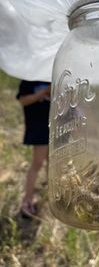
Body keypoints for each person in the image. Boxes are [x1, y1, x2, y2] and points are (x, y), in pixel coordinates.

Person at [16, 80, 51, 217]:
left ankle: (51, 195)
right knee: (38, 163)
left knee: (52, 162)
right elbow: (23, 100)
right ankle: (27, 200)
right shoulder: (28, 80)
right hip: (38, 128)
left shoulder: (51, 78)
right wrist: (44, 92)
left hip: (54, 127)